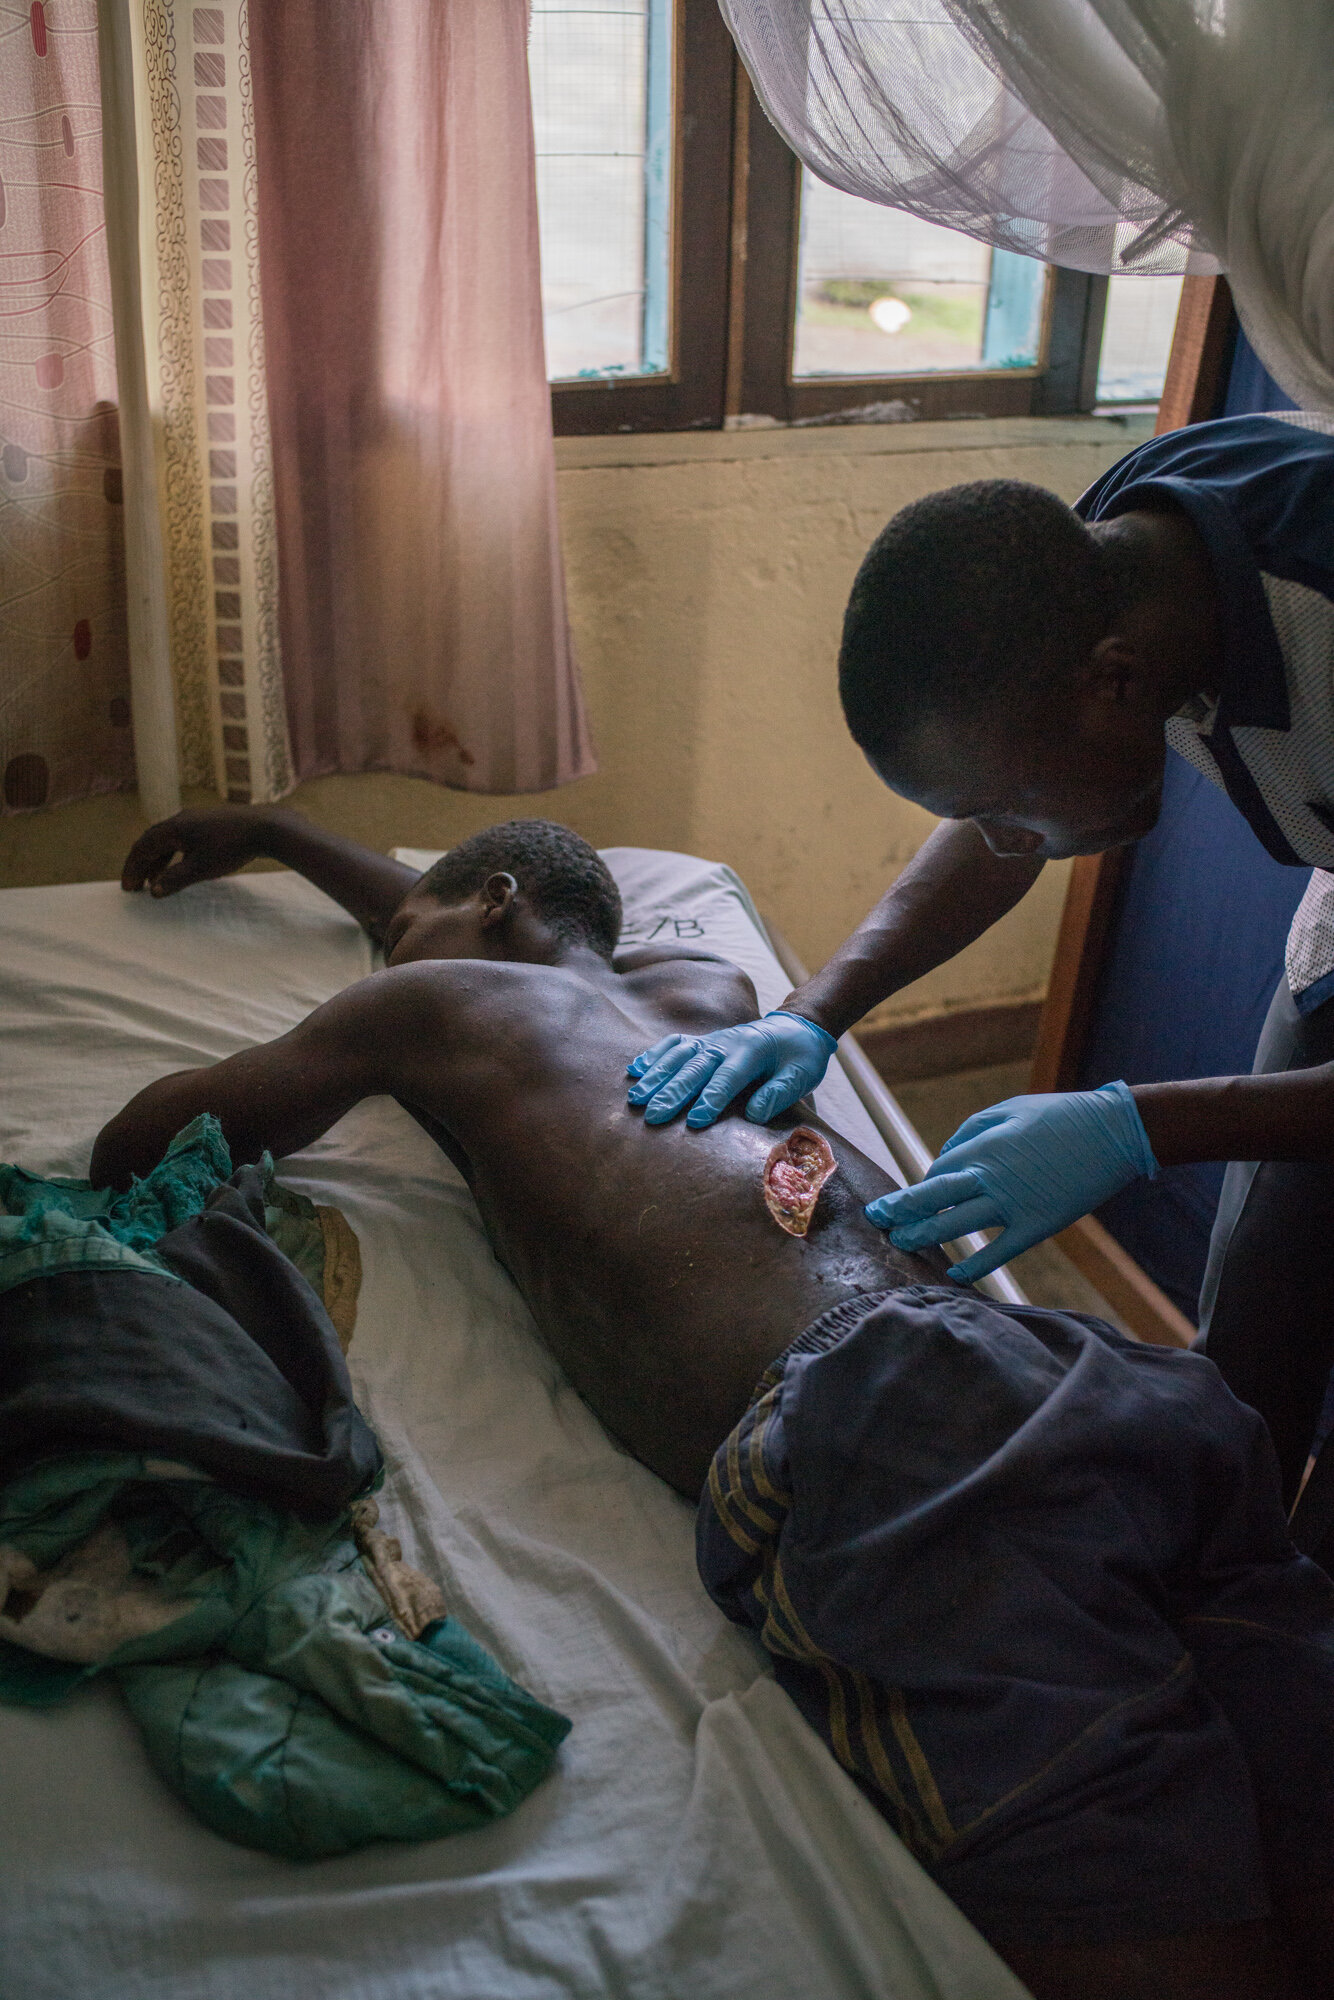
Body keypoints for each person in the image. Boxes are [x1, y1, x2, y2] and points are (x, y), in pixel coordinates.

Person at [100, 805, 1334, 2000]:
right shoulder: (710, 988)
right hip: (1066, 1370)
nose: (386, 950)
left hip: (881, 1423)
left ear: (491, 904)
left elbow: (142, 1142)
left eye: (401, 934)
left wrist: (348, 941)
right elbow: (456, 909)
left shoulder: (424, 1001)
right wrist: (268, 829)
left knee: (1124, 1880)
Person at [628, 412, 1334, 1506]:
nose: (1010, 836)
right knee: (1260, 1320)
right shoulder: (1119, 556)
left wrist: (1137, 1123)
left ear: (1112, 681)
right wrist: (813, 1012)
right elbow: (999, 823)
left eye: (1010, 806)